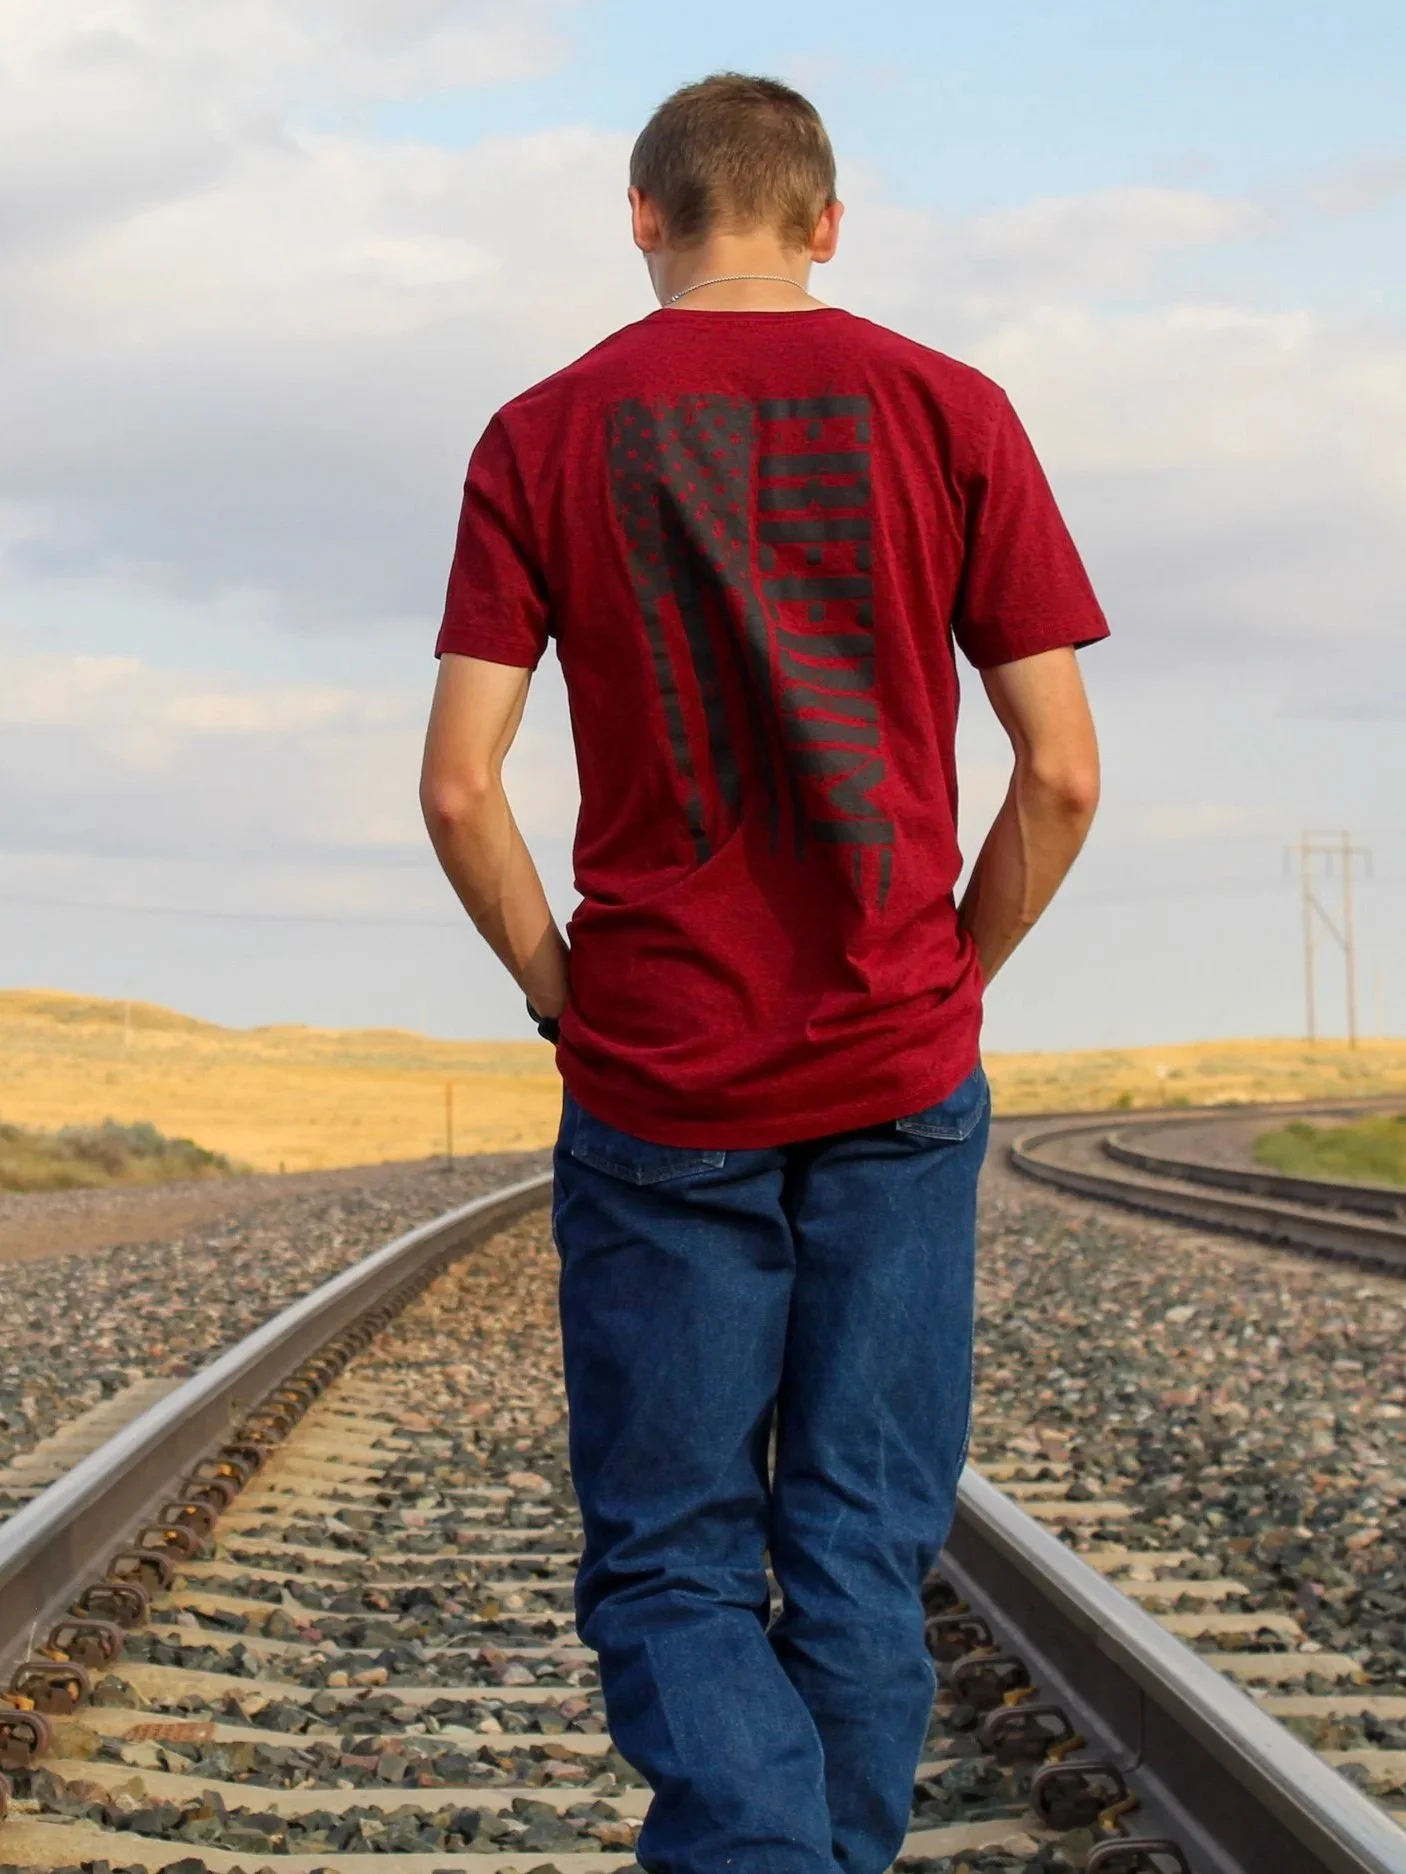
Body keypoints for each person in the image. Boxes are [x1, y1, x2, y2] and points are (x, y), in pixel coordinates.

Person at [420, 71, 1104, 1874]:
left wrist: (564, 992)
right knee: (862, 1543)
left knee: (674, 1553)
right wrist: (945, 973)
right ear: (824, 224)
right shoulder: (952, 409)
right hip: (894, 1064)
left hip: (659, 1076)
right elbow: (1061, 772)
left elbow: (457, 783)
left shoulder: (541, 432)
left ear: (641, 216)